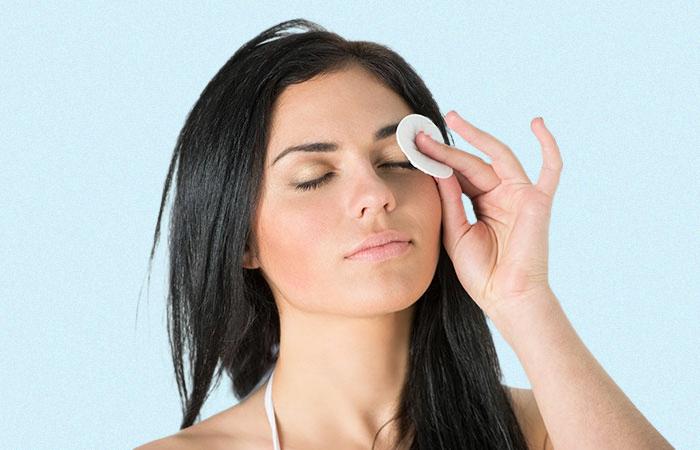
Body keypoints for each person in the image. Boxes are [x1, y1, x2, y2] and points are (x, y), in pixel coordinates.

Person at [135, 18, 671, 450]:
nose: (376, 193)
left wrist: (524, 299)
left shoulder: (547, 431)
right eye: (314, 178)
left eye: (396, 160)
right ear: (241, 241)